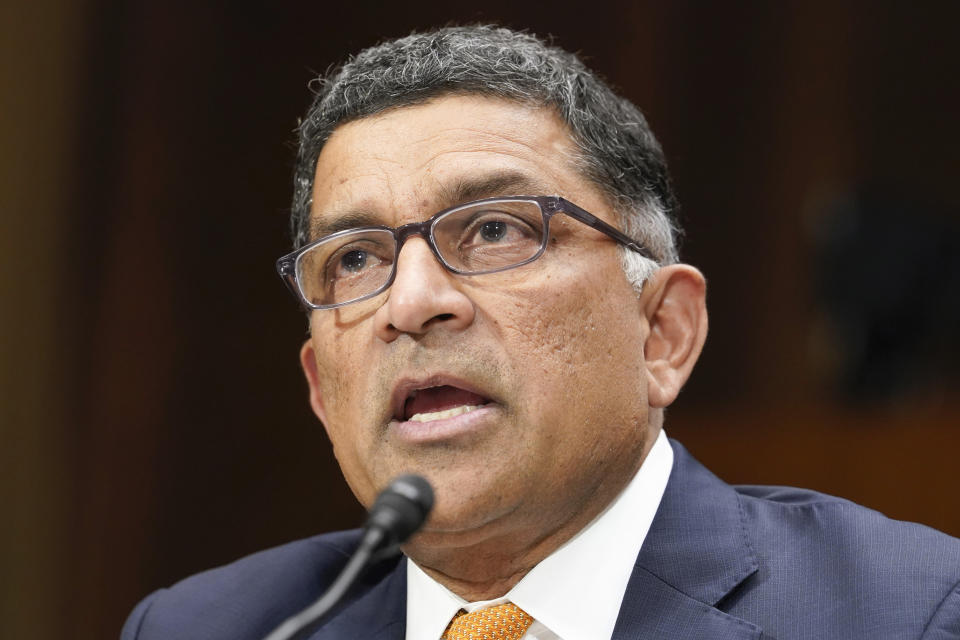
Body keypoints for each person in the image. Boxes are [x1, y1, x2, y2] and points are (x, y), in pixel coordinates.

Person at [121, 25, 960, 640]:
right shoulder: (209, 627)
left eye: (494, 230)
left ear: (661, 332)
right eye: (354, 258)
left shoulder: (907, 612)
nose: (411, 303)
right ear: (319, 387)